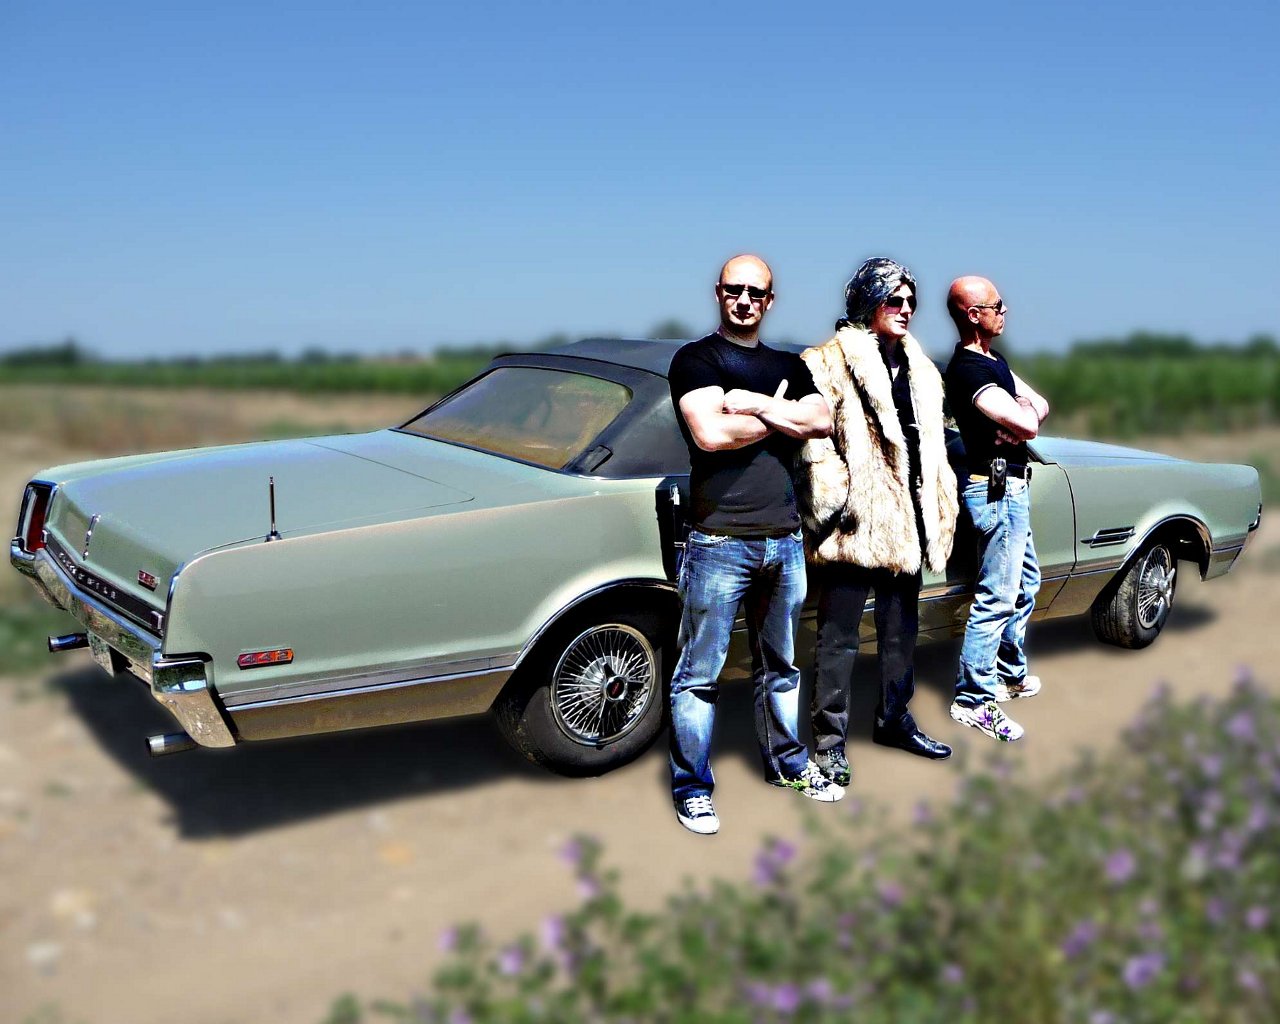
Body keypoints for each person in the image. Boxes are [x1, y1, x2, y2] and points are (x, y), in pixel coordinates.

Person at [667, 253, 840, 835]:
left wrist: (757, 403)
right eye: (734, 290)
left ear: (770, 300)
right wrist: (784, 414)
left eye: (756, 292)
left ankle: (789, 764)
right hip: (719, 540)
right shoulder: (697, 359)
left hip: (784, 541)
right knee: (699, 674)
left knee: (782, 666)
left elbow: (821, 422)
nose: (744, 300)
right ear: (719, 293)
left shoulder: (790, 363)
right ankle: (693, 788)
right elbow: (711, 433)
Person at [796, 258, 958, 788]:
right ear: (869, 303)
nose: (906, 309)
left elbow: (933, 443)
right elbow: (811, 441)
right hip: (854, 523)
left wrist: (941, 497)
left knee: (900, 634)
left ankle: (894, 721)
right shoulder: (825, 361)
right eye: (894, 300)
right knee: (838, 639)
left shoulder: (922, 369)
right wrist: (836, 498)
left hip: (907, 523)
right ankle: (828, 742)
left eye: (912, 301)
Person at [944, 276, 1050, 741]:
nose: (1004, 311)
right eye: (997, 305)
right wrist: (1021, 418)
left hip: (1013, 487)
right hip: (995, 491)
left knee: (1027, 583)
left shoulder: (995, 360)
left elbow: (1038, 407)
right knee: (997, 597)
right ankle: (973, 699)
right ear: (973, 315)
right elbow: (1028, 423)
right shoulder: (968, 370)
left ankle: (1008, 673)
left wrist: (1022, 414)